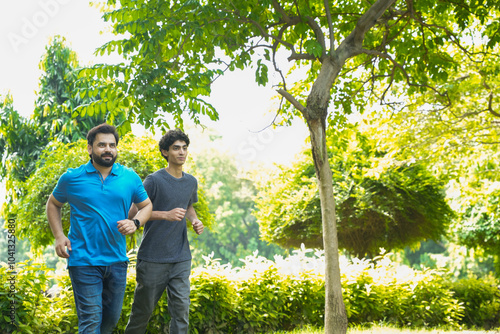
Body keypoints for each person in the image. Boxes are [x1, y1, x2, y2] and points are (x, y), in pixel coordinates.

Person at [46, 123, 152, 334]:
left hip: (117, 261)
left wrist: (136, 222)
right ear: (89, 148)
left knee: (110, 321)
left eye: (112, 145)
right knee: (91, 320)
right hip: (83, 260)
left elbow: (146, 205)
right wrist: (59, 236)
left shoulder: (129, 177)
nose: (108, 149)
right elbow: (53, 204)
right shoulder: (71, 178)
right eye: (101, 145)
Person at [124, 128, 204, 334]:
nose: (181, 152)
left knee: (181, 313)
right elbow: (134, 214)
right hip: (152, 258)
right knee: (142, 312)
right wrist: (165, 215)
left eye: (184, 148)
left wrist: (194, 220)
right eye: (176, 148)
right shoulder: (154, 180)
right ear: (164, 152)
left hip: (180, 257)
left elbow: (188, 206)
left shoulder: (191, 181)